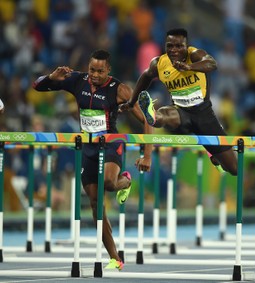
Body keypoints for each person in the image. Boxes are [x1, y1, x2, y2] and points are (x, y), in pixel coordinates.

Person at [33, 49, 153, 270]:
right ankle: (115, 258)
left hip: (110, 142)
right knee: (96, 204)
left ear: (108, 69)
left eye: (100, 71)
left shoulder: (120, 89)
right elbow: (37, 86)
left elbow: (147, 120)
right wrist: (52, 77)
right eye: (92, 70)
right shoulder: (78, 80)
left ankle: (125, 180)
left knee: (108, 183)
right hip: (87, 147)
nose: (95, 75)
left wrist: (147, 155)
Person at [120, 28, 237, 175]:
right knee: (161, 116)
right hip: (180, 113)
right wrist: (131, 102)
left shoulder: (194, 55)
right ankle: (152, 113)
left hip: (204, 116)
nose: (174, 50)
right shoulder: (159, 63)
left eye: (178, 46)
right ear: (165, 46)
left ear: (186, 46)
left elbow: (212, 64)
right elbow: (145, 76)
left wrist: (189, 67)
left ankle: (214, 157)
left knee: (234, 169)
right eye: (169, 46)